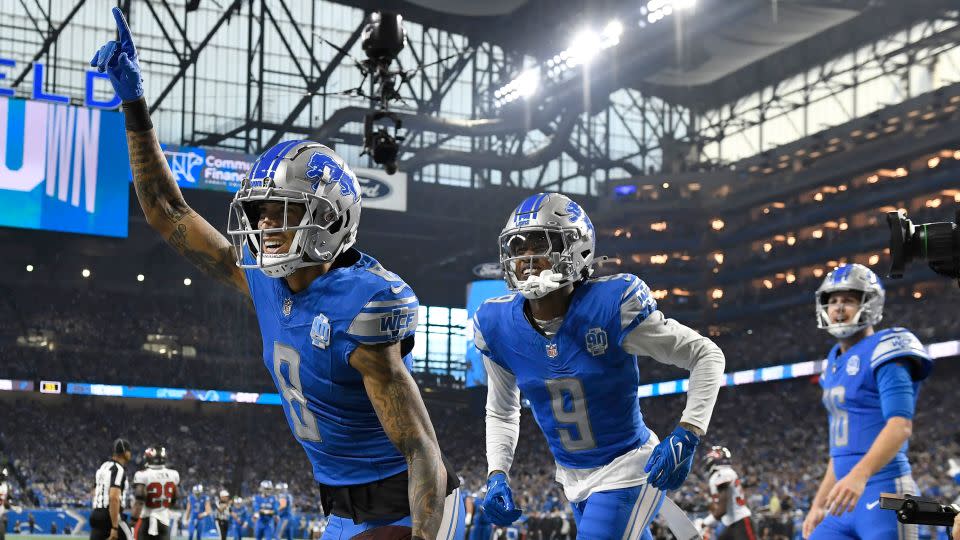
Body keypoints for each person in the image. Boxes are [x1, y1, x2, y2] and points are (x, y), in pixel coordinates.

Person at [91, 7, 462, 539]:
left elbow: (420, 447)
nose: (264, 225)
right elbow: (165, 211)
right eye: (260, 213)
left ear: (330, 219)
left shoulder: (361, 304)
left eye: (281, 212)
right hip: (341, 511)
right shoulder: (264, 281)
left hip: (406, 505)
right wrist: (134, 105)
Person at [473, 192, 725, 538]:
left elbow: (706, 355)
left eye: (539, 244)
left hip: (629, 467)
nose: (527, 259)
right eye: (517, 248)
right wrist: (497, 473)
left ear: (576, 249)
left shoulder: (612, 305)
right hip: (571, 476)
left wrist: (689, 432)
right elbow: (502, 411)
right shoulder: (496, 324)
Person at [802, 264, 932, 539]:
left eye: (848, 300)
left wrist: (859, 476)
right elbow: (840, 450)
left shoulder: (888, 348)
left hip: (885, 491)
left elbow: (900, 427)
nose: (838, 308)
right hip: (843, 496)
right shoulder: (834, 360)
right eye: (833, 300)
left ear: (870, 304)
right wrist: (818, 503)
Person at [702, 446, 755, 540]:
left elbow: (722, 509)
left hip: (740, 521)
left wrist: (704, 522)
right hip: (731, 522)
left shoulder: (722, 473)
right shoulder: (726, 473)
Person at [131, 446, 179, 540]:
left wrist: (133, 521)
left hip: (146, 521)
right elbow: (174, 498)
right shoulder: (173, 474)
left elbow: (139, 501)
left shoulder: (142, 474)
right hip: (164, 521)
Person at [90, 439, 133, 540]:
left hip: (96, 515)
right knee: (130, 536)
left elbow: (94, 492)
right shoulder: (118, 469)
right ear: (125, 452)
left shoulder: (103, 466)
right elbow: (114, 497)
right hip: (110, 516)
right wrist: (114, 527)